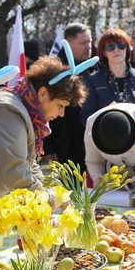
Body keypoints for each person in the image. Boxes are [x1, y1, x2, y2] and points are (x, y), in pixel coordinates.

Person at [0, 46, 91, 200]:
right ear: (43, 93)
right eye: (60, 106)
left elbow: (28, 164)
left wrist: (49, 194)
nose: (61, 114)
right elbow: (15, 173)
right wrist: (50, 199)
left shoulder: (20, 108)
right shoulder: (9, 109)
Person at [79, 27, 135, 125]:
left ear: (127, 48)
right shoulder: (93, 80)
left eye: (121, 46)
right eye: (110, 47)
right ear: (104, 52)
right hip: (106, 135)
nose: (116, 50)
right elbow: (86, 116)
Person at [45, 22, 96, 169]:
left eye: (90, 41)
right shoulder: (54, 70)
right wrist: (49, 146)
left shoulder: (94, 66)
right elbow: (46, 107)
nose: (88, 46)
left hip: (89, 141)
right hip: (65, 143)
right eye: (83, 43)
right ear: (69, 43)